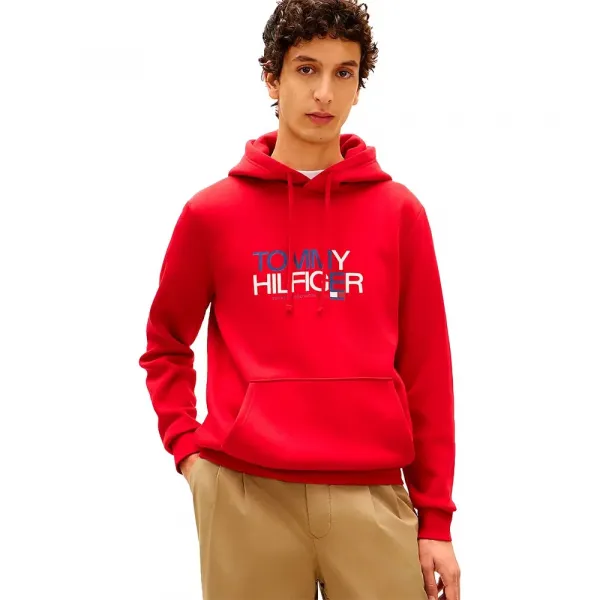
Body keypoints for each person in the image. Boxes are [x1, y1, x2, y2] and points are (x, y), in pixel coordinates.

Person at [139, 0, 461, 598]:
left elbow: (427, 371)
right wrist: (189, 452)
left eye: (344, 73)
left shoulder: (399, 214)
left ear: (359, 86)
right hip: (244, 494)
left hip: (372, 494)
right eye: (306, 69)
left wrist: (435, 518)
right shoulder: (212, 214)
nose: (324, 94)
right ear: (272, 77)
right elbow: (165, 344)